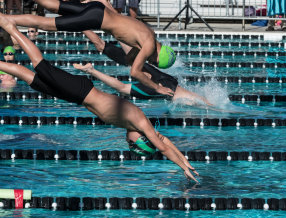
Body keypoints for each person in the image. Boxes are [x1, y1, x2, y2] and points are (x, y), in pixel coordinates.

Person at [0, 15, 199, 182]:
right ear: (141, 138)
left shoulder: (137, 125)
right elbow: (162, 146)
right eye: (132, 145)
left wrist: (184, 161)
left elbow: (163, 140)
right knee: (40, 66)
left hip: (77, 96)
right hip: (81, 92)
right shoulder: (140, 121)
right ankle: (12, 29)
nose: (128, 143)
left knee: (31, 78)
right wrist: (181, 165)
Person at [2, 0, 177, 97]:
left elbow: (130, 56)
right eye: (152, 61)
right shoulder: (147, 47)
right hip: (97, 18)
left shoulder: (149, 34)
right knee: (47, 24)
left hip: (98, 9)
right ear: (157, 57)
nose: (149, 61)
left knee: (53, 5)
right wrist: (157, 87)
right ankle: (5, 18)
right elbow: (135, 72)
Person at [81, 30, 211, 105]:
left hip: (167, 84)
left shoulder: (140, 64)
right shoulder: (153, 83)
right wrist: (92, 71)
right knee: (104, 45)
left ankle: (91, 21)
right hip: (165, 90)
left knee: (104, 45)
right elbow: (121, 87)